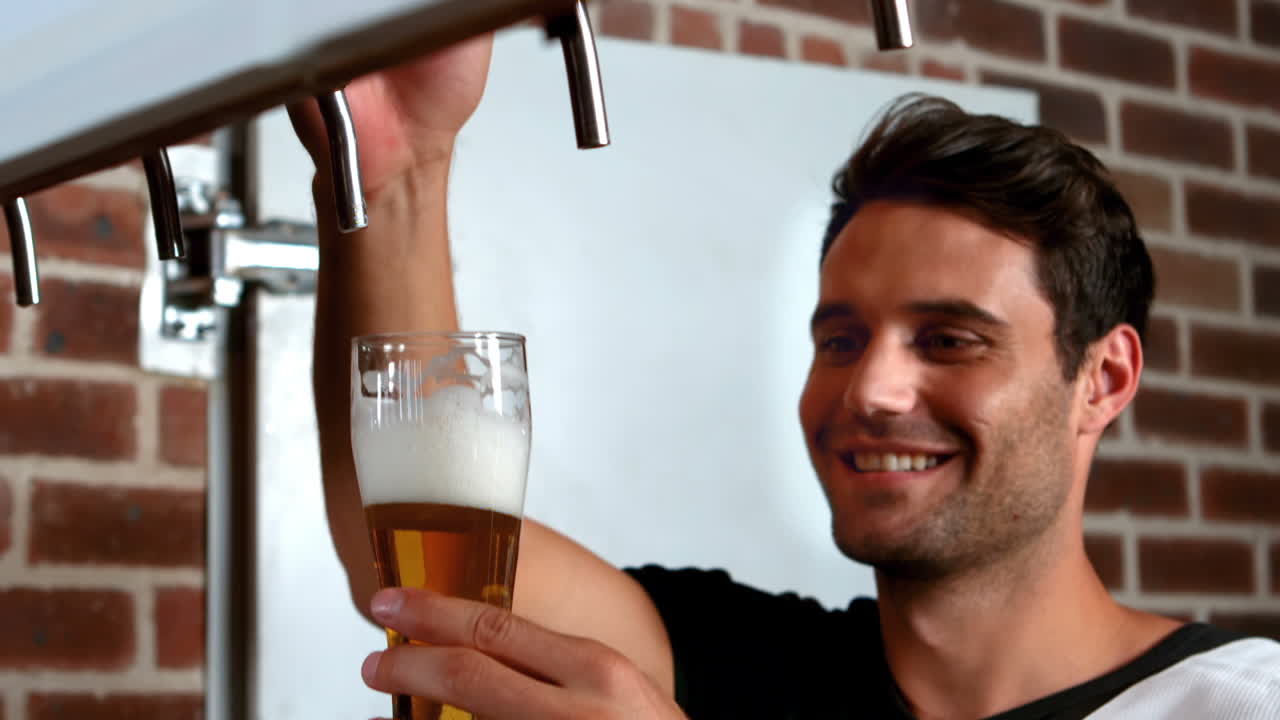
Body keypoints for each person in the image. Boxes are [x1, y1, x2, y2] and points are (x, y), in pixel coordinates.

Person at [291, 36, 1280, 719]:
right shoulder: (725, 664)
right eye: (839, 339)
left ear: (1102, 379)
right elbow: (419, 562)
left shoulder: (1234, 702)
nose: (869, 390)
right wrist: (397, 171)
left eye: (947, 340)